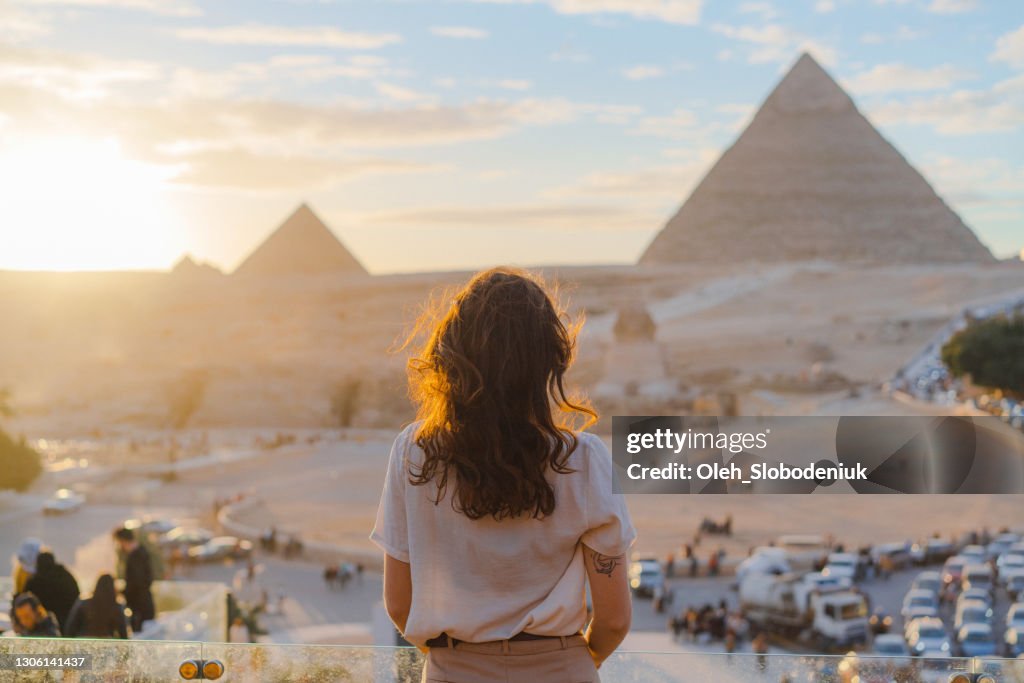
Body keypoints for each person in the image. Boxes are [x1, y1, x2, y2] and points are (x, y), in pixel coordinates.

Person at [371, 268, 636, 682]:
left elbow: (400, 605)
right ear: (550, 358)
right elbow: (615, 619)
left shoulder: (414, 452)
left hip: (455, 670)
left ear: (452, 353)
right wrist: (575, 662)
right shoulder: (586, 460)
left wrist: (461, 658)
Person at [24, 551, 79, 632]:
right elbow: (77, 597)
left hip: (40, 629)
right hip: (66, 624)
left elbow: (25, 602)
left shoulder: (34, 581)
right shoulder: (66, 577)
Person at [113, 527, 155, 632]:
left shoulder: (136, 556)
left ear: (123, 541)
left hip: (139, 608)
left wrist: (122, 592)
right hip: (143, 605)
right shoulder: (141, 552)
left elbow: (136, 583)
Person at [64, 574, 127, 639]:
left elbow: (70, 627)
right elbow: (123, 633)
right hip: (106, 643)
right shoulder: (116, 608)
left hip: (84, 641)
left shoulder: (84, 604)